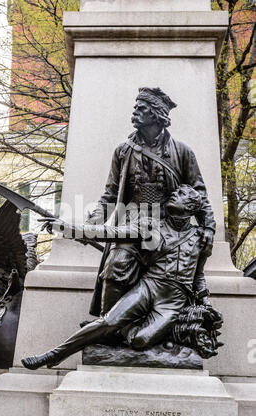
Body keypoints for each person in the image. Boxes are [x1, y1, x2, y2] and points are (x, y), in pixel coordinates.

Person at [22, 185, 219, 371]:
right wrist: (66, 228)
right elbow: (109, 232)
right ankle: (54, 355)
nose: (175, 193)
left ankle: (118, 329)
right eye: (176, 192)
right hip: (149, 286)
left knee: (140, 340)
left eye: (182, 194)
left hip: (173, 300)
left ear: (192, 208)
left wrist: (206, 303)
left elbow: (198, 275)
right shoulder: (151, 226)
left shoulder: (201, 237)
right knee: (107, 321)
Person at [85, 87, 216, 318]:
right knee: (116, 264)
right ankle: (106, 329)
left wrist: (208, 227)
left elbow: (198, 193)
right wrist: (93, 223)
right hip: (132, 227)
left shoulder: (182, 151)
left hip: (169, 229)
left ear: (156, 114)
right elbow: (110, 194)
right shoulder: (123, 151)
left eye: (141, 108)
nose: (134, 112)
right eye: (135, 107)